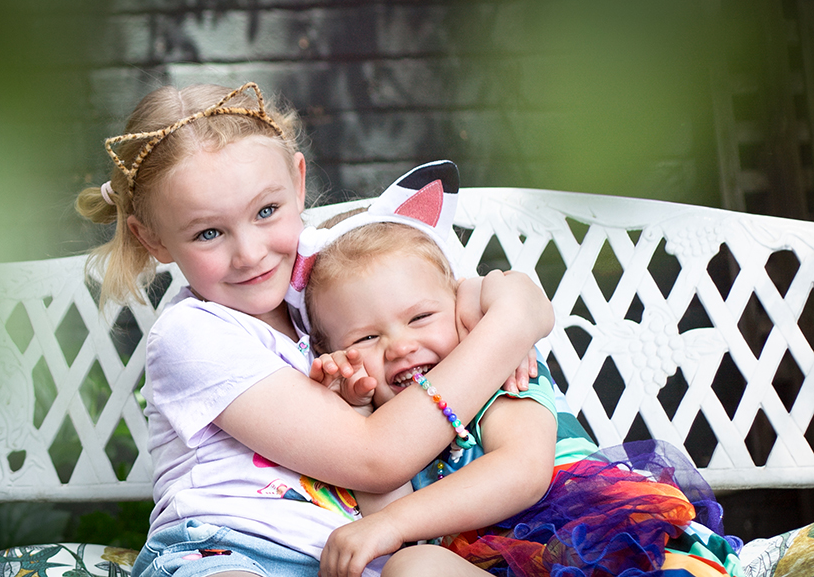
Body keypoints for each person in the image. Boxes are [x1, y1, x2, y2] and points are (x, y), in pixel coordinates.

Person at [74, 82, 555, 577]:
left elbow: (459, 296)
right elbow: (377, 458)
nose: (250, 253)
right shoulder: (192, 333)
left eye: (266, 212)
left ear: (298, 182)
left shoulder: (327, 294)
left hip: (356, 561)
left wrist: (511, 300)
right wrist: (511, 329)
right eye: (208, 233)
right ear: (152, 238)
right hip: (227, 552)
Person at [296, 171, 745, 577]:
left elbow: (523, 472)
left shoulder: (502, 373)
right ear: (331, 353)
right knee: (413, 566)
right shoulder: (382, 429)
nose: (401, 346)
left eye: (420, 318)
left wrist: (391, 523)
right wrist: (354, 411)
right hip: (493, 566)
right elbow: (395, 531)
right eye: (365, 340)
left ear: (461, 305)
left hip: (595, 544)